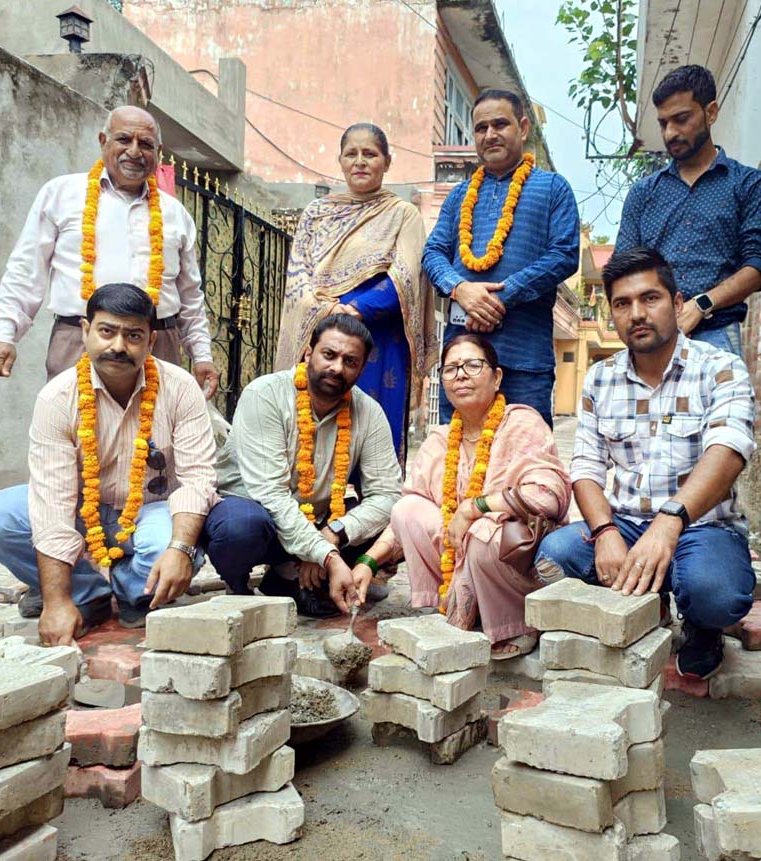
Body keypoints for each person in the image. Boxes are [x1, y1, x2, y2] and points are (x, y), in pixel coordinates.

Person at [535, 248, 757, 680]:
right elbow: (585, 467)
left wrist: (669, 522)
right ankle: (643, 603)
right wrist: (603, 533)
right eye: (622, 303)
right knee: (553, 558)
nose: (636, 313)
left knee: (715, 592)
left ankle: (701, 625)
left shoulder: (720, 368)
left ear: (677, 305)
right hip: (627, 524)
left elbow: (728, 451)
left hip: (701, 527)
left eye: (650, 299)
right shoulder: (601, 378)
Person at [0, 283, 220, 646]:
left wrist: (181, 549)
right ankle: (87, 595)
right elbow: (52, 500)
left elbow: (198, 480)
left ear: (150, 343)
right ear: (86, 332)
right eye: (107, 331)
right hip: (81, 510)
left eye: (133, 335)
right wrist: (55, 603)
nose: (118, 346)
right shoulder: (57, 397)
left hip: (150, 512)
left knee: (169, 545)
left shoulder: (180, 388)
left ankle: (134, 593)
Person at [0, 106, 219, 394]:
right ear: (103, 140)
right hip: (78, 341)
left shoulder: (175, 214)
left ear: (158, 152)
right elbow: (26, 271)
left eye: (145, 144)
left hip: (157, 345)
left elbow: (190, 295)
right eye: (123, 139)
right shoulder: (61, 194)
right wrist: (2, 334)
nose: (134, 151)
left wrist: (202, 355)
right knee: (74, 433)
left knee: (156, 437)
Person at [362, 334, 570, 658]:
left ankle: (514, 623)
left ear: (496, 376)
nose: (460, 374)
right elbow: (401, 521)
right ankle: (454, 605)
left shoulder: (522, 423)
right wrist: (367, 561)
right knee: (408, 508)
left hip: (515, 558)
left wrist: (476, 507)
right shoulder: (440, 439)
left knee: (482, 530)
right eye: (450, 368)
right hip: (457, 559)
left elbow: (549, 496)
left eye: (473, 365)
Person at [205, 314, 402, 618]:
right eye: (329, 355)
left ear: (361, 369)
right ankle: (239, 587)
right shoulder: (265, 394)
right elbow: (270, 495)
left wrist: (334, 533)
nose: (337, 367)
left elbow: (388, 494)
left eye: (350, 361)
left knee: (401, 521)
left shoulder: (369, 412)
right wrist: (327, 556)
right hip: (256, 512)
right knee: (239, 530)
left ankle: (286, 580)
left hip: (322, 522)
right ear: (308, 354)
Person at [274, 123, 436, 462]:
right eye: (352, 154)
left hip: (380, 339)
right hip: (323, 335)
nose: (360, 161)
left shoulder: (402, 214)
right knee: (314, 429)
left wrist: (354, 309)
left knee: (374, 431)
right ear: (341, 160)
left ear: (387, 162)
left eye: (370, 154)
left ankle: (376, 505)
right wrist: (327, 313)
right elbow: (298, 275)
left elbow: (405, 276)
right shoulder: (317, 214)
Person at [422, 89, 581, 426]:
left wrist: (498, 299)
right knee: (459, 459)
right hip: (463, 360)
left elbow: (564, 255)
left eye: (500, 124)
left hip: (524, 360)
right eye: (481, 128)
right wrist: (461, 290)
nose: (489, 134)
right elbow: (433, 253)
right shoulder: (458, 196)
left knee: (527, 461)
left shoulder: (553, 188)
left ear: (522, 128)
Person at [615, 65, 761, 357]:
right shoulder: (643, 194)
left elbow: (758, 266)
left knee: (727, 405)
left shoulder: (748, 185)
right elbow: (623, 269)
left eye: (681, 119)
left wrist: (702, 304)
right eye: (663, 123)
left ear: (711, 112)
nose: (670, 133)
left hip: (717, 337)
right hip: (652, 341)